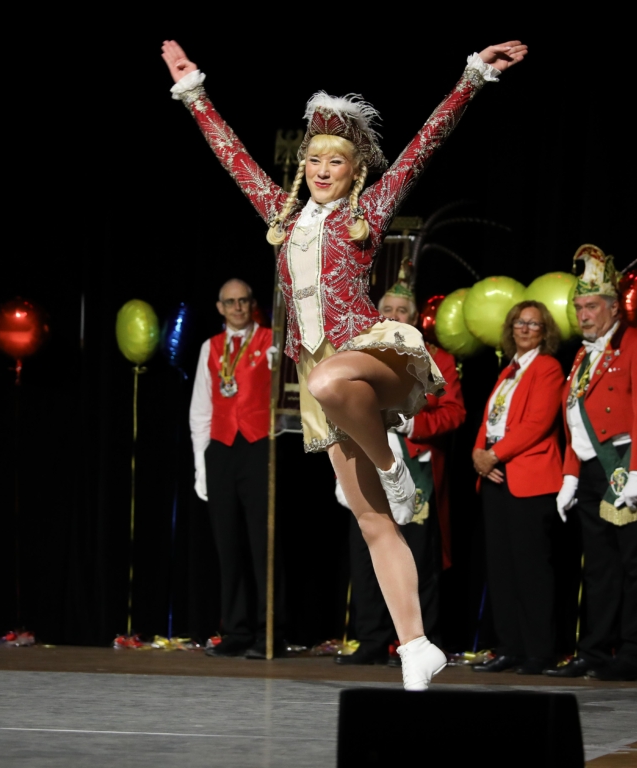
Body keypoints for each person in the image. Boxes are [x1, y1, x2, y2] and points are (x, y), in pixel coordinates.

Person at [162, 37, 527, 690]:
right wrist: (194, 93)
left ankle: (393, 467)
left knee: (331, 380)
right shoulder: (282, 215)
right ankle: (417, 646)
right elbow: (232, 156)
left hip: (371, 356)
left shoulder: (369, 211)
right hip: (324, 383)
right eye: (315, 158)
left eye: (337, 160)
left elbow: (424, 145)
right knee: (371, 519)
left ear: (356, 170)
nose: (323, 168)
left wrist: (472, 76)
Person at [545, 245, 637, 681]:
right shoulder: (583, 355)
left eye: (592, 306)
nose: (583, 315)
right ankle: (594, 651)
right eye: (579, 307)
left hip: (625, 466)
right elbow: (575, 420)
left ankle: (635, 654)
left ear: (614, 307)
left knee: (635, 566)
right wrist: (570, 477)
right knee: (597, 568)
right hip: (592, 470)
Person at [334, 277, 465, 666]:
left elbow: (454, 412)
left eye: (401, 311)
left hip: (415, 468)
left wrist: (412, 424)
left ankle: (418, 642)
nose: (393, 316)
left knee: (417, 559)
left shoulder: (438, 358)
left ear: (415, 317)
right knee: (367, 554)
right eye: (387, 309)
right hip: (371, 464)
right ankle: (372, 640)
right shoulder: (359, 353)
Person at [189, 278, 285, 659]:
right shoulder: (210, 348)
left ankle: (269, 632)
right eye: (230, 302)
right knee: (227, 546)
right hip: (222, 449)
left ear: (252, 303)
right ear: (220, 308)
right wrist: (201, 466)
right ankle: (236, 630)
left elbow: (288, 395)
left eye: (243, 300)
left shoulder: (271, 342)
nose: (238, 307)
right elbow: (200, 410)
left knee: (264, 545)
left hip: (259, 447)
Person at [469, 301, 564, 675]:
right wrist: (479, 454)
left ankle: (539, 652)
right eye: (519, 323)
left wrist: (493, 455)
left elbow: (538, 423)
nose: (525, 329)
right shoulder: (508, 371)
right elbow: (489, 420)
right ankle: (510, 647)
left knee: (531, 570)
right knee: (501, 569)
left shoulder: (548, 368)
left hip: (529, 478)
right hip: (496, 477)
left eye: (533, 324)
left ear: (545, 332)